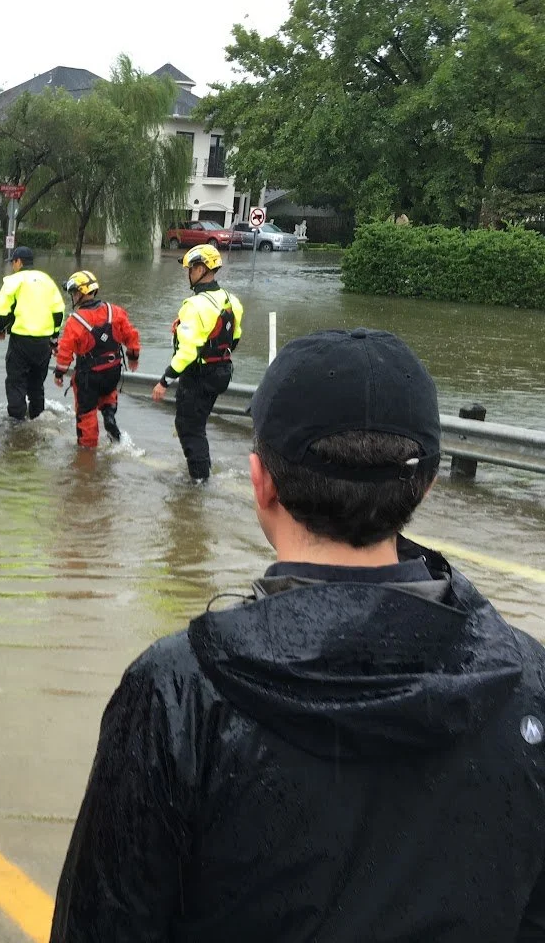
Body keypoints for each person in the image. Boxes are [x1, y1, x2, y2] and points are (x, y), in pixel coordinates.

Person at [52, 328, 545, 942]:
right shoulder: (528, 680)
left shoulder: (179, 691)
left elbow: (103, 922)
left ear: (261, 483)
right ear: (426, 485)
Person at [151, 244, 243, 483]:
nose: (188, 274)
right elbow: (235, 338)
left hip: (199, 375)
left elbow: (187, 352)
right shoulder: (231, 300)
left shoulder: (194, 306)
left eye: (191, 269)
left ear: (201, 269)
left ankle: (199, 483)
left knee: (188, 427)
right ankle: (202, 470)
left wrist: (164, 381)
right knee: (197, 425)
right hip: (222, 372)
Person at [52, 270, 141, 448]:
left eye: (73, 292)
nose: (72, 296)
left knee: (86, 415)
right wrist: (133, 357)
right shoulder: (115, 311)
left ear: (79, 293)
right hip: (113, 370)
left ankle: (87, 453)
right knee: (108, 395)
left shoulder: (74, 321)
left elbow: (66, 353)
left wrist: (59, 373)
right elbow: (131, 336)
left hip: (88, 376)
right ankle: (109, 416)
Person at [0, 245, 65, 422]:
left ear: (18, 261)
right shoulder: (47, 280)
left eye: (13, 262)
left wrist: (0, 329)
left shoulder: (14, 280)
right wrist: (55, 337)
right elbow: (59, 311)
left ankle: (16, 424)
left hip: (21, 341)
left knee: (16, 382)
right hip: (44, 343)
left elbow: (1, 310)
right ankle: (38, 418)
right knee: (36, 385)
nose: (12, 266)